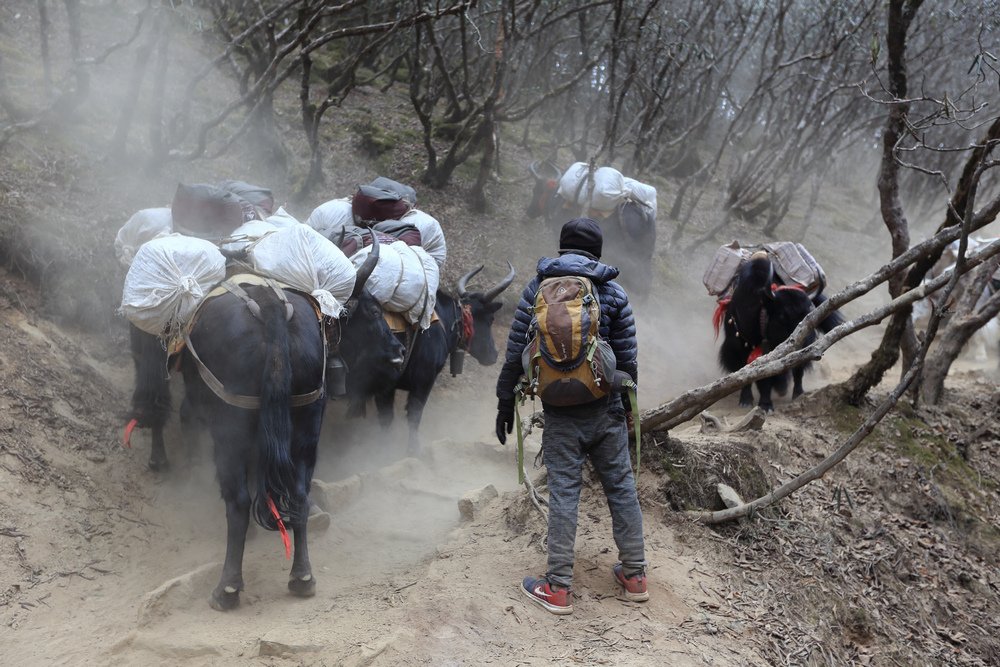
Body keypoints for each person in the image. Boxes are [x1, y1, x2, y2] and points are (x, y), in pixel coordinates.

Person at [495, 218, 647, 615]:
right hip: (606, 409)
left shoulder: (536, 289)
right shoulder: (612, 291)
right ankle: (635, 576)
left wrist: (502, 403)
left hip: (560, 413)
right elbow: (628, 361)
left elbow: (515, 354)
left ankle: (558, 588)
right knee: (621, 488)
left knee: (564, 492)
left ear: (562, 249)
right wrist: (628, 410)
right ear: (597, 253)